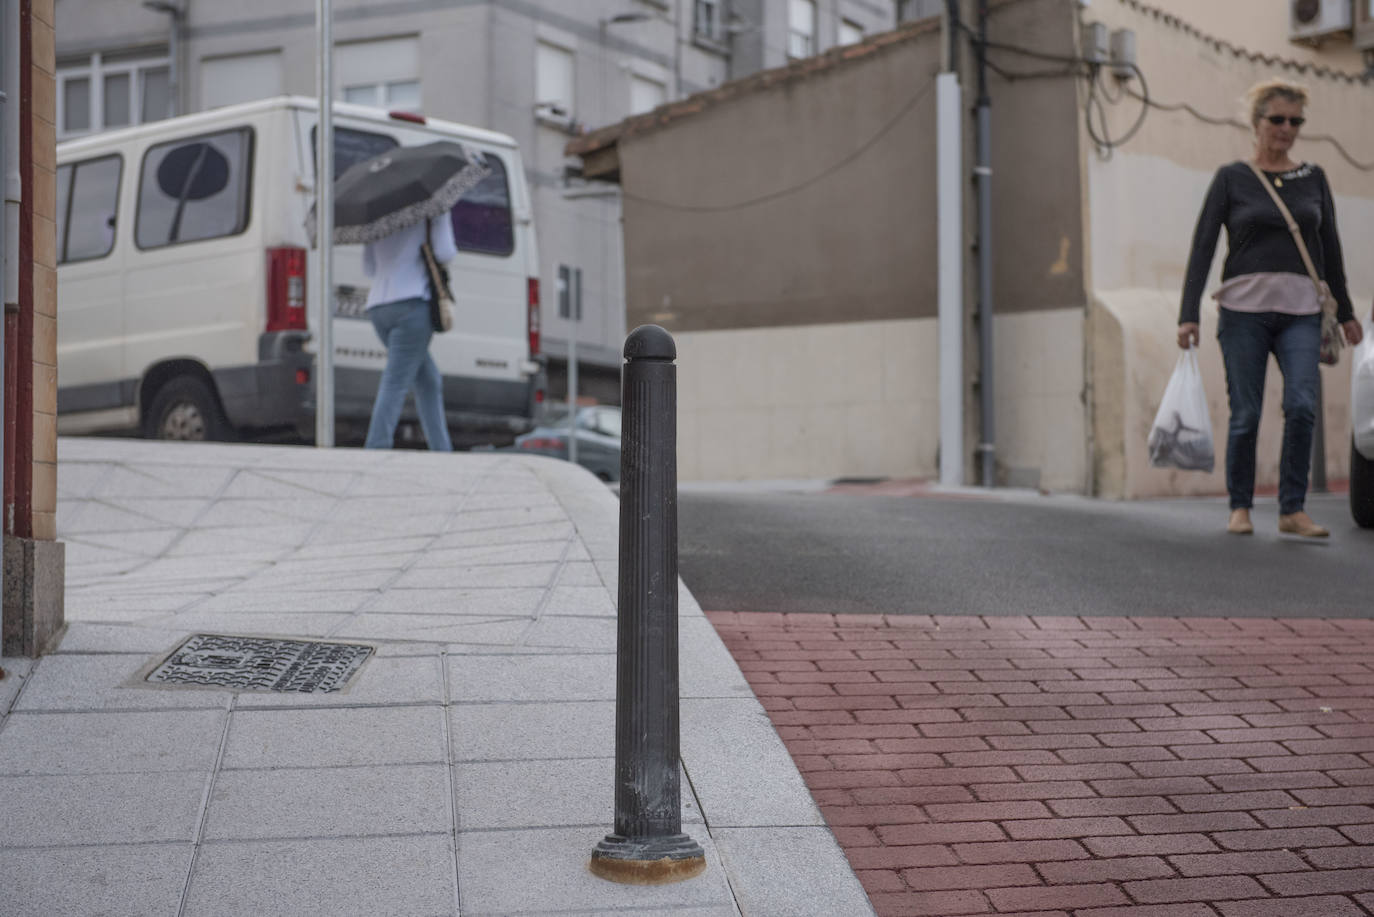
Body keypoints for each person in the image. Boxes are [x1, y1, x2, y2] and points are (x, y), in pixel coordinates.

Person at [1178, 78, 1363, 538]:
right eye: (1277, 119)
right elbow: (1203, 246)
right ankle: (1240, 506)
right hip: (1243, 313)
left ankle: (1291, 509)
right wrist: (1187, 313)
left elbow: (1330, 248)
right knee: (1246, 413)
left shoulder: (1313, 178)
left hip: (1302, 312)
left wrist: (1345, 313)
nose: (1286, 128)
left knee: (1302, 405)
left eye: (1295, 121)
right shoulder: (1232, 178)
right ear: (1257, 122)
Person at [361, 215, 457, 450]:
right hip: (412, 304)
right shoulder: (432, 208)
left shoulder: (377, 212)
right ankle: (376, 446)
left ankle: (442, 450)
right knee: (395, 382)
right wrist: (440, 219)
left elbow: (368, 268)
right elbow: (446, 253)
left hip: (378, 308)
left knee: (428, 379)